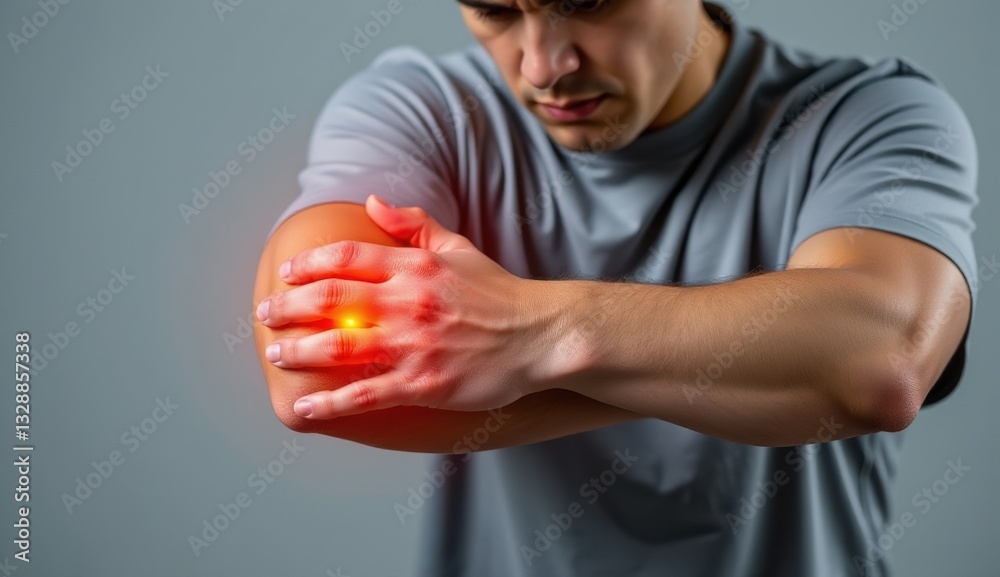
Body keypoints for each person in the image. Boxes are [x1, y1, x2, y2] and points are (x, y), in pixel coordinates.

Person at [251, 1, 979, 575]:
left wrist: (530, 333)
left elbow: (879, 366)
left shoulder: (872, 114)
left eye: (587, 2)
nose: (544, 66)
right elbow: (313, 369)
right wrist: (768, 373)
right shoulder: (424, 110)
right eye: (494, 9)